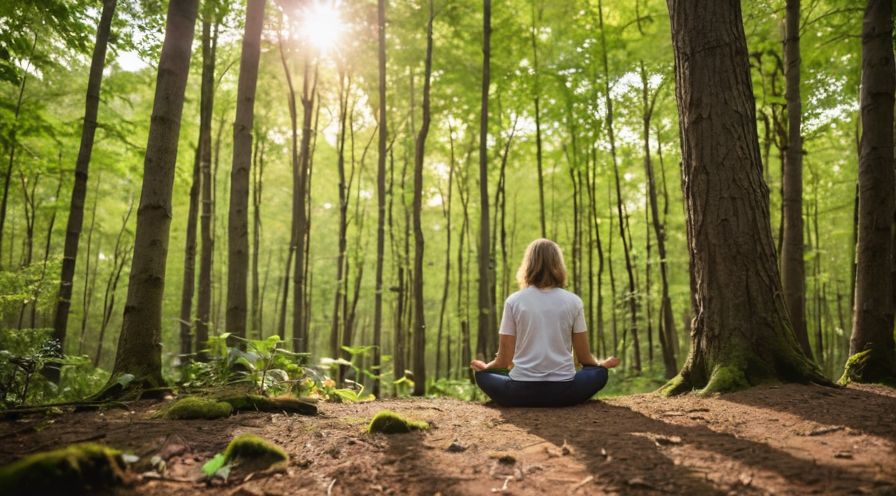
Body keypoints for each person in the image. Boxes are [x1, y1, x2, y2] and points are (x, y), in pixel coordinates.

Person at [471, 238, 620, 407]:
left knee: (482, 375)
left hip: (519, 393)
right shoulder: (573, 301)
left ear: (528, 264)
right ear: (558, 264)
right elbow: (585, 358)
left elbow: (503, 361)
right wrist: (601, 366)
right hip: (565, 392)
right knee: (598, 374)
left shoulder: (514, 301)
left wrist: (485, 367)